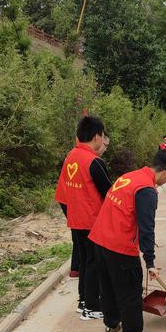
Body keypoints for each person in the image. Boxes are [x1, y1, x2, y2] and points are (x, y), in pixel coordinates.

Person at [88, 149, 166, 332]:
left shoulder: (128, 177)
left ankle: (112, 325)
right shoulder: (146, 189)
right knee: (130, 290)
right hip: (120, 245)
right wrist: (150, 262)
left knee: (108, 286)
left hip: (99, 239)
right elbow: (147, 229)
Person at [54, 116, 112, 318]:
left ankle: (83, 301)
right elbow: (109, 193)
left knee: (86, 262)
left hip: (76, 219)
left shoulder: (71, 156)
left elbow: (62, 193)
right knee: (94, 262)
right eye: (103, 136)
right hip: (92, 220)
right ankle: (92, 307)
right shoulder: (94, 162)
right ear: (97, 136)